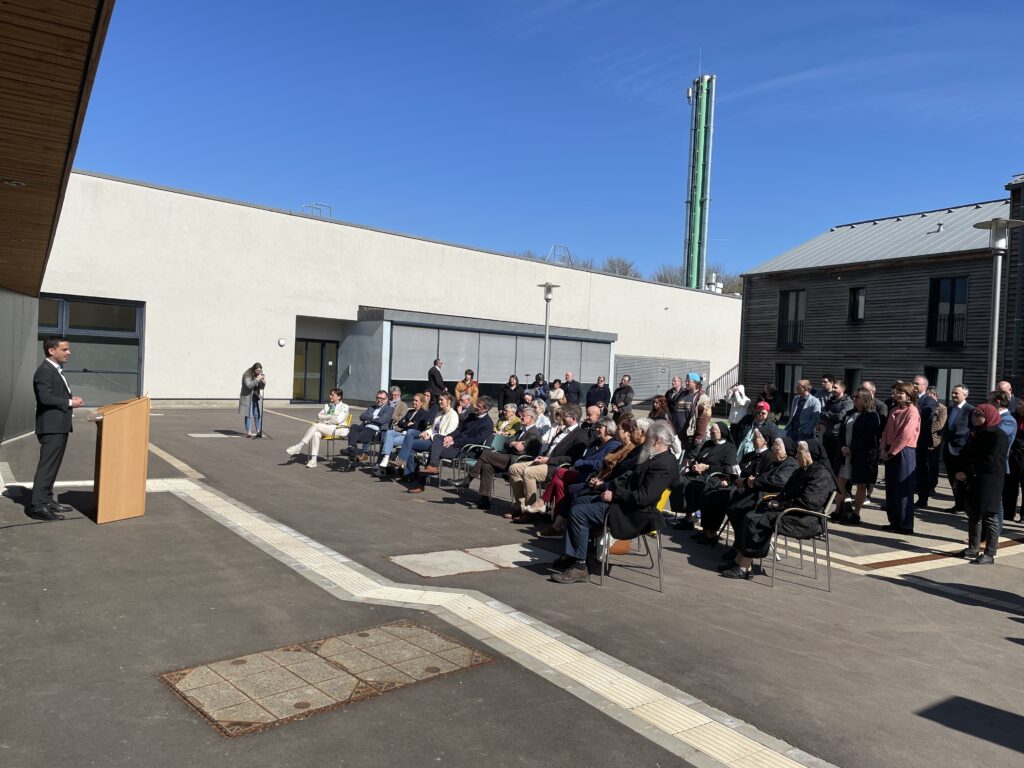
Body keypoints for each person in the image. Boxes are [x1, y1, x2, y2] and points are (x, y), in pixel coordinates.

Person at [550, 421, 678, 584]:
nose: (645, 440)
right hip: (625, 504)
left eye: (648, 438)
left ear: (657, 440)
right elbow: (628, 479)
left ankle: (579, 567)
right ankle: (575, 554)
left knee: (579, 513)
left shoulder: (664, 464)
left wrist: (615, 495)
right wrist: (604, 486)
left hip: (633, 513)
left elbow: (643, 498)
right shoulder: (654, 457)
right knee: (578, 499)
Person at [719, 440, 836, 579]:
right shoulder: (801, 470)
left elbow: (809, 502)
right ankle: (739, 561)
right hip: (793, 511)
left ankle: (744, 568)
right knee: (749, 515)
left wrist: (781, 505)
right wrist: (778, 500)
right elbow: (786, 492)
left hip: (806, 519)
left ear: (809, 454)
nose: (796, 456)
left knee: (757, 520)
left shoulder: (821, 475)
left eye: (799, 453)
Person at [29, 336, 85, 521]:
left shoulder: (54, 370)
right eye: (64, 349)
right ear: (51, 350)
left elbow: (54, 395)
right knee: (47, 467)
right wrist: (69, 402)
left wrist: (70, 399)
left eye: (68, 349)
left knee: (53, 467)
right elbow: (45, 398)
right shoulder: (44, 371)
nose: (69, 352)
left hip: (59, 425)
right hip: (51, 427)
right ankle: (38, 506)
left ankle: (47, 499)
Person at [507, 403, 590, 514]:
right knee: (514, 468)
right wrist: (544, 456)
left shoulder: (580, 435)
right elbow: (552, 448)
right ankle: (520, 506)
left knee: (529, 472)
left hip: (556, 466)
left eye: (564, 415)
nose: (561, 417)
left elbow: (572, 459)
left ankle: (530, 510)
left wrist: (548, 460)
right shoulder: (563, 430)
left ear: (573, 418)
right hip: (545, 461)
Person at [456, 409, 543, 511]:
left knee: (486, 454)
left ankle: (467, 480)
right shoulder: (521, 430)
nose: (521, 417)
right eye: (521, 415)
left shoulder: (534, 433)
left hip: (519, 461)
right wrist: (513, 443)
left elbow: (521, 450)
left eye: (524, 415)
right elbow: (506, 443)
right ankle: (484, 500)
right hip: (509, 457)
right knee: (486, 466)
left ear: (531, 418)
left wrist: (513, 445)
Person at [537, 417, 621, 521]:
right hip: (582, 473)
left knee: (560, 471)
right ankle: (557, 519)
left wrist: (579, 464)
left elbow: (600, 464)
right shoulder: (597, 443)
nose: (597, 429)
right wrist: (579, 464)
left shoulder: (613, 446)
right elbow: (585, 457)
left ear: (608, 429)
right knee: (559, 483)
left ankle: (543, 502)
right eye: (597, 427)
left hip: (591, 477)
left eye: (600, 427)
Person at [955, 404, 1009, 564]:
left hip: (990, 481)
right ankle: (973, 547)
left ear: (988, 416)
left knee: (990, 516)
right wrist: (962, 470)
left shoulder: (998, 435)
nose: (974, 417)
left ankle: (990, 553)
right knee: (974, 515)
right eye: (974, 414)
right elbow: (967, 453)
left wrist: (969, 471)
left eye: (978, 415)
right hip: (974, 480)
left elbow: (991, 461)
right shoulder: (976, 432)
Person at [414, 396, 495, 486]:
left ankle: (423, 480)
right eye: (476, 404)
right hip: (455, 443)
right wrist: (451, 437)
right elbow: (460, 429)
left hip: (465, 450)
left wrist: (455, 442)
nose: (475, 406)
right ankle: (432, 467)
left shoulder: (488, 424)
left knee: (434, 450)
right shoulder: (472, 415)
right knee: (437, 437)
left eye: (478, 406)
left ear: (486, 409)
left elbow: (476, 440)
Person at [829, 387, 881, 525]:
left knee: (861, 484)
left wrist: (852, 449)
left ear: (865, 399)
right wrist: (842, 447)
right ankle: (837, 510)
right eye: (854, 396)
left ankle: (856, 514)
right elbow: (841, 432)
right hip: (845, 454)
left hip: (861, 456)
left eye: (857, 397)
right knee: (840, 481)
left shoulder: (872, 415)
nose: (854, 399)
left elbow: (869, 437)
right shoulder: (850, 413)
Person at [670, 421, 735, 530]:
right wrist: (694, 466)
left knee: (692, 486)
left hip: (714, 477)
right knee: (679, 482)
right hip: (698, 474)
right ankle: (688, 517)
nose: (710, 433)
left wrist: (707, 467)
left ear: (722, 433)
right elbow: (697, 459)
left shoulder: (729, 448)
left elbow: (728, 469)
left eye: (713, 432)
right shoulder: (708, 443)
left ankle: (701, 526)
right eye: (710, 431)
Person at [879, 381, 921, 534]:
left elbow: (906, 435)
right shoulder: (894, 409)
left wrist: (892, 452)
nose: (897, 395)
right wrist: (883, 448)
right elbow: (885, 431)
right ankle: (894, 521)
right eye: (896, 392)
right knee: (891, 488)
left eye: (900, 392)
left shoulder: (912, 411)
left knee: (903, 489)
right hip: (890, 450)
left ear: (909, 395)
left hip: (904, 452)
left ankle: (905, 524)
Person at [394, 393, 459, 480]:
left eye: (442, 400)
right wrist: (426, 432)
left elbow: (446, 434)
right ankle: (408, 471)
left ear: (449, 401)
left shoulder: (453, 415)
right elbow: (432, 428)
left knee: (409, 443)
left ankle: (407, 469)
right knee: (409, 443)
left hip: (438, 443)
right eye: (439, 400)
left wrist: (430, 436)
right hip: (430, 440)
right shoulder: (439, 414)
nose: (439, 402)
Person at [285, 388, 350, 468]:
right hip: (327, 428)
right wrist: (330, 416)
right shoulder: (327, 406)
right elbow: (319, 416)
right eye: (330, 395)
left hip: (338, 429)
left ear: (339, 397)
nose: (330, 396)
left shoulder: (344, 407)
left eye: (332, 395)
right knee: (316, 433)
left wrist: (325, 419)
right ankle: (313, 460)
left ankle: (299, 446)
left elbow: (338, 420)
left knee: (316, 425)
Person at [374, 393, 432, 475]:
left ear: (421, 403)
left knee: (386, 440)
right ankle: (387, 457)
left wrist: (406, 424)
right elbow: (400, 423)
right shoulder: (410, 411)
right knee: (389, 432)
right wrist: (407, 423)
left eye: (416, 401)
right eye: (413, 400)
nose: (414, 402)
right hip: (402, 433)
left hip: (411, 436)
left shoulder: (424, 413)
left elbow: (416, 427)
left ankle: (385, 461)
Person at [942, 384, 974, 513]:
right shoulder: (951, 408)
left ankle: (966, 506)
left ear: (965, 395)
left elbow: (972, 431)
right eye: (953, 393)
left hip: (961, 451)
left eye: (957, 393)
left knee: (962, 479)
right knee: (952, 478)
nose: (953, 395)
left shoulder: (970, 410)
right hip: (949, 450)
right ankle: (958, 504)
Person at [346, 390, 395, 461]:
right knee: (354, 426)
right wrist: (373, 417)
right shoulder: (372, 407)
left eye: (382, 398)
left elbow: (381, 421)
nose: (379, 400)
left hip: (376, 431)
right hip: (365, 427)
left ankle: (352, 452)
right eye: (377, 398)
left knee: (352, 436)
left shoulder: (389, 409)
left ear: (386, 399)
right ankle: (351, 448)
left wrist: (368, 418)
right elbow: (361, 416)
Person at [912, 375, 939, 507]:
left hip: (920, 442)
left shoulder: (929, 401)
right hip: (909, 441)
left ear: (925, 386)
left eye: (917, 384)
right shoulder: (911, 398)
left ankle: (923, 499)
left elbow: (926, 421)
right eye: (913, 383)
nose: (914, 386)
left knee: (921, 471)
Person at [818, 380, 852, 468]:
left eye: (835, 388)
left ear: (842, 389)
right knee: (827, 460)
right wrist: (831, 415)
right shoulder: (830, 401)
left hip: (838, 436)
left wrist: (828, 415)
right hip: (827, 434)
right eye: (832, 387)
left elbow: (841, 416)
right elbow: (822, 415)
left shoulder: (848, 402)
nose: (832, 389)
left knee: (838, 462)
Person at [239, 362, 266, 437]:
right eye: (257, 370)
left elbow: (261, 387)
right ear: (254, 369)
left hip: (255, 397)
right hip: (248, 397)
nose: (259, 372)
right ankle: (249, 432)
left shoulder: (258, 375)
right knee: (249, 414)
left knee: (257, 414)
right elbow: (249, 386)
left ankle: (258, 431)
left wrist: (263, 383)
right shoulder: (246, 375)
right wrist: (257, 379)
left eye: (260, 371)